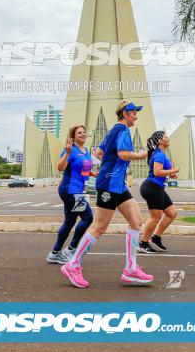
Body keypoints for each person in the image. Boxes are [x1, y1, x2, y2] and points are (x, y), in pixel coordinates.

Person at [61, 101, 153, 288]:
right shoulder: (123, 130)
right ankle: (73, 265)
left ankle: (131, 268)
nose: (136, 116)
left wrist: (107, 158)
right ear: (126, 113)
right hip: (109, 184)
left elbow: (99, 151)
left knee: (136, 220)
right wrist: (141, 155)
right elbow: (123, 154)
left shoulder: (113, 130)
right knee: (99, 226)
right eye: (135, 113)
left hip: (118, 184)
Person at [47, 125, 96, 264]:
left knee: (69, 222)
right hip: (70, 189)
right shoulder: (71, 149)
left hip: (78, 189)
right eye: (80, 132)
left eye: (84, 132)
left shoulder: (86, 150)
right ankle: (70, 249)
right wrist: (67, 153)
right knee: (88, 217)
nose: (83, 134)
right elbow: (60, 167)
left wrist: (91, 173)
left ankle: (55, 253)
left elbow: (82, 170)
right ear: (73, 137)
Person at [139, 130, 179, 253]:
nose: (168, 138)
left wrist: (170, 174)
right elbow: (157, 172)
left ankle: (156, 238)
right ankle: (143, 243)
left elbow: (160, 171)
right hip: (152, 187)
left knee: (171, 213)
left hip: (157, 187)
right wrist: (174, 170)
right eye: (166, 136)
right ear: (160, 140)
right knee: (156, 217)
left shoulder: (160, 153)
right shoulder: (159, 155)